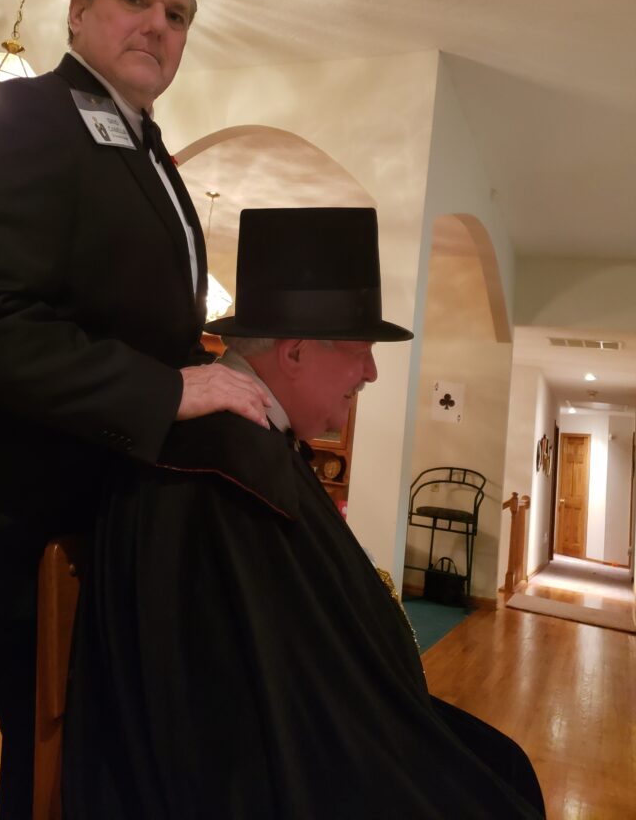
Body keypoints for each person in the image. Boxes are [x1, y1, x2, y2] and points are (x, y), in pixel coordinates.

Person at [0, 0, 269, 820]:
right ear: (79, 12)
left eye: (177, 13)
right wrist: (167, 389)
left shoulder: (155, 158)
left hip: (62, 552)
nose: (158, 24)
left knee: (53, 791)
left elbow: (142, 326)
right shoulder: (19, 115)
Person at [63, 207, 545, 819]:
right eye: (361, 350)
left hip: (336, 727)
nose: (371, 372)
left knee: (502, 765)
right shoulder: (222, 467)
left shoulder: (255, 443)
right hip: (275, 766)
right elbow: (238, 715)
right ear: (294, 351)